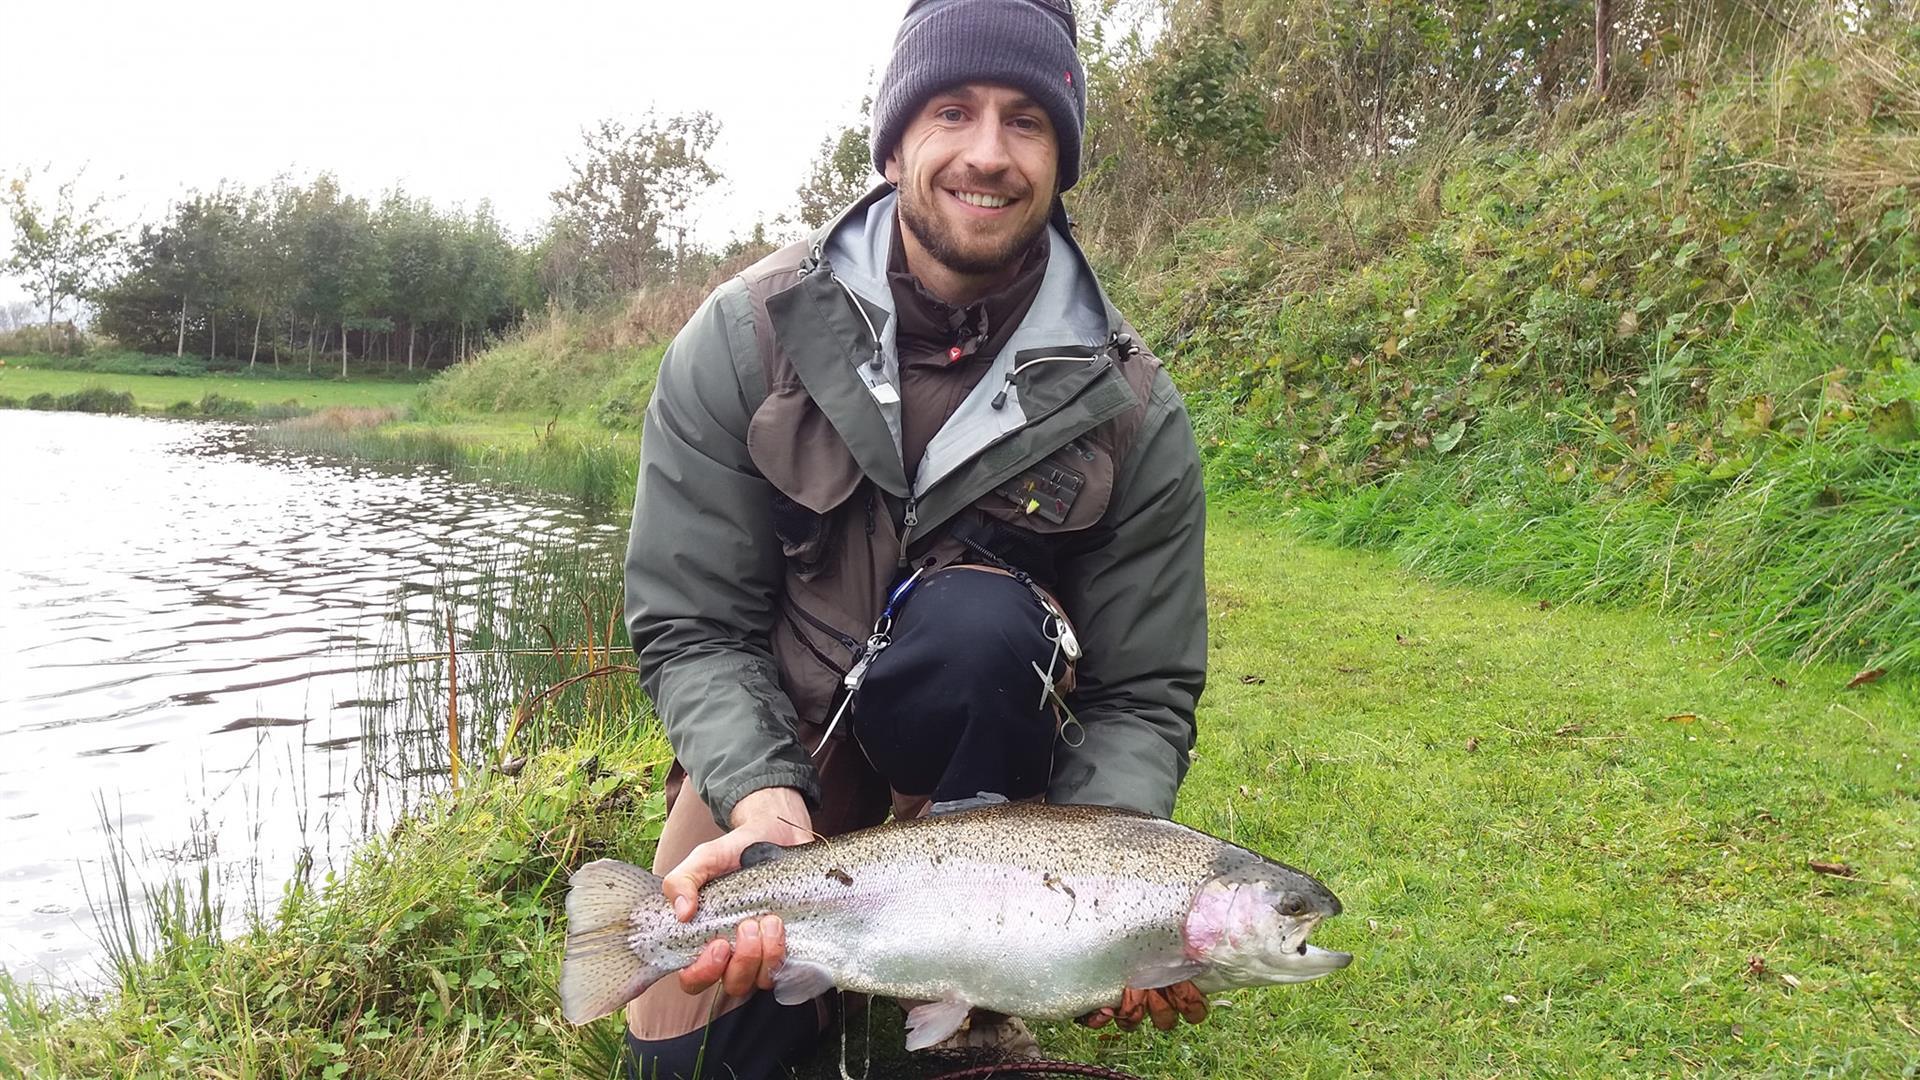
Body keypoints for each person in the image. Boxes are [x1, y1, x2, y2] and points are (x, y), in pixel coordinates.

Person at [619, 0, 1208, 1075]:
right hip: (782, 761)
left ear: (1063, 161)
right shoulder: (746, 337)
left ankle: (978, 1008)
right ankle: (811, 944)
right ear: (894, 142)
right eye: (954, 110)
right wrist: (759, 803)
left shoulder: (1130, 406)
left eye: (1028, 121)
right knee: (691, 1066)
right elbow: (692, 623)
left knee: (979, 624)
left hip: (994, 814)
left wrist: (1111, 896)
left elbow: (1145, 693)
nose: (988, 153)